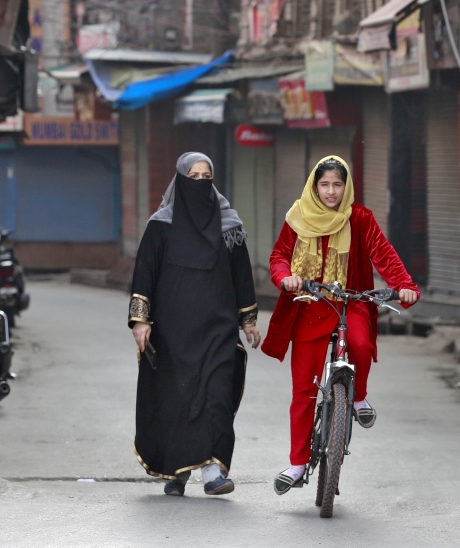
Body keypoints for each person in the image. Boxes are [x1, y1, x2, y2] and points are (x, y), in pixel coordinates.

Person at [261, 156, 420, 495]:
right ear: (314, 186)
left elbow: (384, 254)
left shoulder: (360, 218)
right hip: (308, 304)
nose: (331, 191)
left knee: (361, 345)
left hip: (351, 302)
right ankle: (298, 463)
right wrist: (285, 277)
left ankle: (358, 398)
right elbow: (279, 256)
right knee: (303, 390)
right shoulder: (297, 216)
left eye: (337, 184)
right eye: (324, 184)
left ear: (346, 187)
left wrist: (405, 285)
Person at [128, 152, 261, 497]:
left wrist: (248, 320)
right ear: (180, 180)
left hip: (217, 327)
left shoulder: (229, 225)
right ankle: (177, 472)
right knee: (178, 399)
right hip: (173, 330)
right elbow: (145, 273)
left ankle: (213, 472)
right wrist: (140, 321)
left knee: (216, 395)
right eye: (194, 177)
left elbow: (241, 275)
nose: (200, 183)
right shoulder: (161, 225)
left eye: (207, 177)